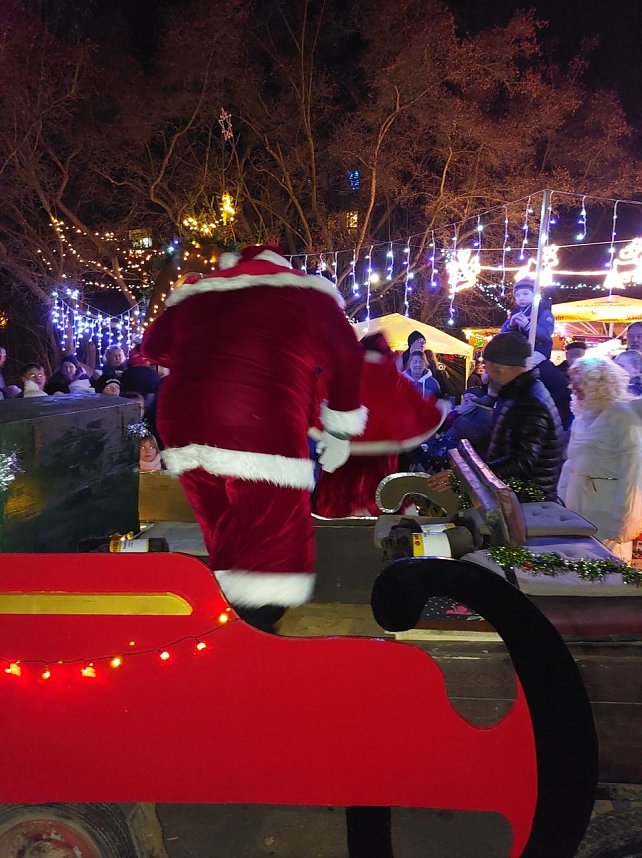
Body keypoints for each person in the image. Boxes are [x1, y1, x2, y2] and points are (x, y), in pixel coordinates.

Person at [142, 243, 366, 632]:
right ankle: (254, 635)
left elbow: (154, 346)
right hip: (256, 420)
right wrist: (340, 428)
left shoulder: (197, 292)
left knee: (223, 526)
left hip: (181, 420)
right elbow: (346, 357)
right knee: (272, 539)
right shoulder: (306, 292)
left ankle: (221, 622)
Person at [311, 333, 448, 516]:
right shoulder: (393, 380)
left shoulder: (336, 376)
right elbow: (422, 413)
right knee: (384, 514)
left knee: (335, 518)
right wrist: (441, 407)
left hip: (337, 465)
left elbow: (309, 404)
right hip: (380, 470)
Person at [428, 333, 563, 500]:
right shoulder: (520, 393)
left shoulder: (528, 402)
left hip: (526, 502)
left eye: (486, 365)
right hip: (517, 496)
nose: (486, 373)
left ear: (498, 367)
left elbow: (519, 463)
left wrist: (464, 476)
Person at [558, 356, 642, 562]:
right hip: (577, 504)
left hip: (606, 506)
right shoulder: (583, 415)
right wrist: (562, 495)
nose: (573, 386)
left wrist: (624, 521)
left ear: (598, 381)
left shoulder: (623, 417)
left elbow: (633, 470)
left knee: (608, 564)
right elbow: (572, 462)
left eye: (579, 380)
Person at [500, 279, 555, 360]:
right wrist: (510, 325)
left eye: (525, 294)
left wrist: (528, 326)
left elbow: (545, 336)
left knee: (525, 365)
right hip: (519, 350)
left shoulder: (543, 311)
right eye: (517, 295)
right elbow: (503, 334)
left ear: (535, 294)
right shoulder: (515, 312)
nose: (521, 298)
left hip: (538, 350)